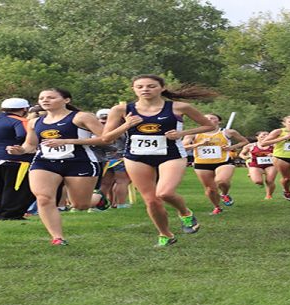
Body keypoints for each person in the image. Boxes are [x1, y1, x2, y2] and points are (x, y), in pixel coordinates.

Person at [101, 74, 217, 247]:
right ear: (133, 89)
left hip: (170, 155)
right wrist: (126, 125)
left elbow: (210, 126)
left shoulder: (179, 107)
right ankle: (165, 235)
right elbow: (106, 138)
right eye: (140, 87)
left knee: (164, 193)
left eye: (151, 86)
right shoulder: (121, 110)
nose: (145, 90)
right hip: (136, 156)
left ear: (162, 88)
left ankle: (185, 213)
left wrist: (181, 134)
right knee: (151, 200)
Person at [6, 88, 120, 246]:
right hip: (44, 162)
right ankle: (57, 238)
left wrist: (68, 141)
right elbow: (31, 145)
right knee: (44, 198)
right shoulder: (34, 122)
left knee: (80, 205)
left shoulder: (81, 117)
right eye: (42, 98)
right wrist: (19, 150)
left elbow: (107, 139)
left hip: (79, 161)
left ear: (66, 100)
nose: (45, 100)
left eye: (51, 97)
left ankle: (98, 199)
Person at [183, 113, 249, 215]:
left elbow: (244, 141)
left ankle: (224, 194)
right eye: (206, 118)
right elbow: (184, 146)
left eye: (212, 118)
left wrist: (231, 147)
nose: (209, 120)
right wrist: (198, 144)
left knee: (221, 181)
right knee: (210, 190)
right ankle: (217, 207)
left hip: (223, 162)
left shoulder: (228, 132)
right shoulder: (193, 133)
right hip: (202, 164)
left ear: (219, 121)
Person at [94, 108, 132, 209]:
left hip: (105, 159)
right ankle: (121, 204)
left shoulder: (97, 129)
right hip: (119, 158)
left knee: (105, 183)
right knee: (122, 181)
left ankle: (98, 204)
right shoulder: (119, 129)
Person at [239, 131, 277, 200]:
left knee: (270, 180)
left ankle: (269, 195)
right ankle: (253, 175)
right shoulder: (250, 146)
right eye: (263, 135)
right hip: (255, 165)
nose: (265, 136)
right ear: (257, 137)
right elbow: (241, 154)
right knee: (258, 181)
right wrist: (244, 157)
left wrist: (273, 155)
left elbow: (281, 154)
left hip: (271, 164)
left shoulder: (274, 145)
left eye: (267, 135)